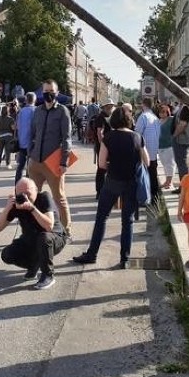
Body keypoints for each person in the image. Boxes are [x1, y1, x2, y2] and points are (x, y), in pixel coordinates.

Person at [73, 106, 149, 269]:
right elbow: (147, 162)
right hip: (131, 183)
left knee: (102, 218)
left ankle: (92, 254)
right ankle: (125, 259)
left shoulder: (108, 137)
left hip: (113, 182)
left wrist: (113, 166)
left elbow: (101, 164)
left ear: (113, 120)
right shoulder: (138, 137)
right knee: (127, 221)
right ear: (129, 121)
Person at [0, 177, 67, 290]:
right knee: (7, 254)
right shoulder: (17, 203)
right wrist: (8, 207)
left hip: (55, 237)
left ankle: (48, 275)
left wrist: (32, 208)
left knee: (44, 237)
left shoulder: (44, 197)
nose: (25, 197)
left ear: (36, 190)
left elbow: (49, 226)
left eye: (28, 193)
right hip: (31, 240)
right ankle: (34, 265)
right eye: (21, 194)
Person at [27, 80, 73, 237]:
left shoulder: (62, 111)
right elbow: (32, 134)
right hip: (35, 161)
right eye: (46, 91)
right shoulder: (38, 111)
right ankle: (34, 229)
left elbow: (67, 138)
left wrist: (64, 161)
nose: (48, 94)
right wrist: (29, 156)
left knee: (59, 197)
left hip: (53, 162)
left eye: (51, 91)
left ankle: (66, 231)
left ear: (57, 93)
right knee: (32, 196)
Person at [134, 96, 161, 212]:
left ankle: (146, 198)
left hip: (145, 151)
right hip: (154, 150)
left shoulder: (143, 117)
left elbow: (137, 135)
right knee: (153, 174)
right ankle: (155, 199)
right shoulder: (155, 117)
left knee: (145, 176)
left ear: (143, 105)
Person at [171, 89, 189, 193]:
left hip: (182, 140)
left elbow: (182, 124)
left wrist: (174, 135)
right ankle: (185, 186)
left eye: (179, 94)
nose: (178, 96)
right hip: (187, 139)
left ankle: (185, 188)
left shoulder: (186, 108)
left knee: (183, 165)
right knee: (185, 164)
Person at [91, 99, 115, 196]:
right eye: (108, 107)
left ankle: (104, 190)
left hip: (107, 146)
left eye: (111, 106)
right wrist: (103, 146)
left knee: (106, 168)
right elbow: (99, 133)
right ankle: (99, 191)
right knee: (101, 168)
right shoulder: (100, 118)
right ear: (104, 107)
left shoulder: (109, 117)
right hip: (103, 147)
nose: (110, 108)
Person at [14, 92, 36, 183]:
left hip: (22, 142)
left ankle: (17, 187)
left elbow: (17, 126)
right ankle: (27, 186)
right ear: (35, 100)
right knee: (30, 166)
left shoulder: (21, 111)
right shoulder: (36, 111)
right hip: (33, 143)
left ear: (26, 100)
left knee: (20, 166)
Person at [157, 103, 176, 189]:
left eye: (164, 112)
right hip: (160, 146)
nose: (162, 113)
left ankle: (169, 182)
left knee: (170, 164)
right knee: (165, 164)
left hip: (169, 145)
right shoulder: (158, 121)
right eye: (161, 112)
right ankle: (167, 181)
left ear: (168, 112)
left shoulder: (171, 119)